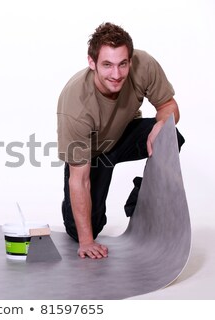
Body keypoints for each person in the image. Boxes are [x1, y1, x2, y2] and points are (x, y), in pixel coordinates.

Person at [57, 22, 185, 259]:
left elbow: (168, 106)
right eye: (107, 65)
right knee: (83, 231)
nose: (116, 75)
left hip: (124, 134)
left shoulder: (143, 65)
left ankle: (141, 203)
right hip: (94, 153)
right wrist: (86, 242)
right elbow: (79, 179)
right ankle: (75, 221)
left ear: (130, 59)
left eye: (122, 64)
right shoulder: (75, 105)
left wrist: (161, 125)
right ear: (92, 62)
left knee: (171, 136)